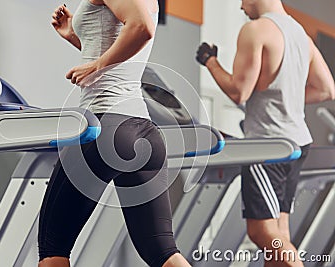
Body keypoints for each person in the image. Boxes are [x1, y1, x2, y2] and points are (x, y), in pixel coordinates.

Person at [38, 0, 192, 266]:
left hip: (104, 126)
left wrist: (96, 65)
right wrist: (76, 35)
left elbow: (142, 28)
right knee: (163, 252)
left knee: (54, 249)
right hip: (144, 133)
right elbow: (119, 47)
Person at [196, 0, 334, 266]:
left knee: (261, 231)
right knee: (280, 233)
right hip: (296, 142)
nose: (240, 7)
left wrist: (210, 62)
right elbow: (327, 89)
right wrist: (286, 99)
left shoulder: (257, 30)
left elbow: (239, 92)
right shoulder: (301, 36)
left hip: (268, 145)